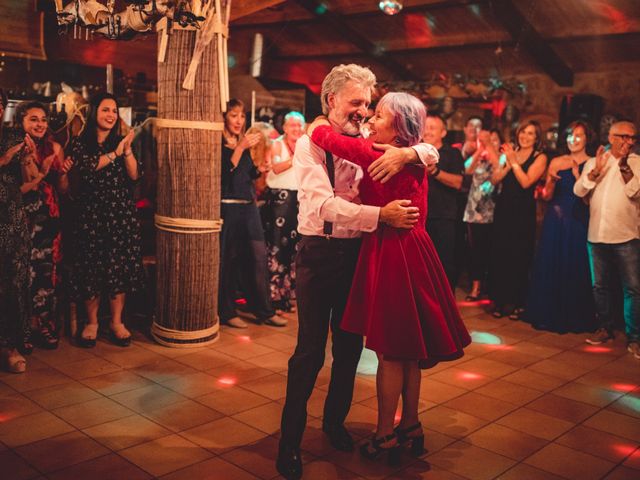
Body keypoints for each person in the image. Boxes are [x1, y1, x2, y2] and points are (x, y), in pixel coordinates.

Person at [276, 64, 442, 480]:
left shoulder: (368, 138)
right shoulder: (312, 144)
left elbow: (428, 150)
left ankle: (334, 425)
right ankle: (289, 444)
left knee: (350, 350)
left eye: (368, 105)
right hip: (319, 253)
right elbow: (323, 206)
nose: (364, 113)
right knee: (309, 354)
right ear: (331, 100)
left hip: (359, 254)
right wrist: (380, 215)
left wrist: (411, 152)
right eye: (356, 103)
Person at [310, 92, 470, 465]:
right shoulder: (405, 153)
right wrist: (415, 151)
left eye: (379, 115)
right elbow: (426, 150)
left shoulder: (383, 154)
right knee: (408, 353)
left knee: (390, 353)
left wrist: (318, 123)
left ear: (399, 127)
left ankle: (384, 434)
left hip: (393, 252)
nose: (371, 118)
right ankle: (410, 424)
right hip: (413, 250)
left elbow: (326, 139)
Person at [69, 93, 144, 348]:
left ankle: (116, 322)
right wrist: (115, 153)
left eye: (114, 110)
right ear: (94, 113)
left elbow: (134, 175)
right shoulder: (81, 143)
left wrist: (127, 150)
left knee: (117, 267)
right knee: (91, 266)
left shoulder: (121, 142)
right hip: (90, 213)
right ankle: (91, 322)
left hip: (119, 214)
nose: (111, 115)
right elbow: (89, 167)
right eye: (105, 110)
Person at [218, 99, 287, 329]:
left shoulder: (242, 143)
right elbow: (224, 176)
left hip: (248, 206)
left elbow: (245, 174)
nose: (239, 121)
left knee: (258, 257)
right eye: (234, 115)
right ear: (224, 117)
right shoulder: (217, 144)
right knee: (228, 261)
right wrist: (240, 148)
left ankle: (264, 311)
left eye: (242, 116)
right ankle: (227, 311)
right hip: (228, 207)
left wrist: (260, 170)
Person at [574, 121, 640, 359]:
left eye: (633, 138)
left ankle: (634, 338)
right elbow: (579, 191)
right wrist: (594, 173)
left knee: (632, 289)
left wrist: (623, 167)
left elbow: (637, 192)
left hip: (627, 236)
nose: (629, 141)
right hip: (597, 234)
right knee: (599, 285)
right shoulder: (595, 161)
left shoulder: (637, 163)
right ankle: (605, 327)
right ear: (611, 137)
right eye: (623, 136)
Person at [525, 121, 596, 333]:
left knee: (574, 262)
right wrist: (552, 182)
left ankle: (574, 315)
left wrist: (577, 177)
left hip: (578, 217)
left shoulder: (592, 163)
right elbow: (546, 196)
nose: (573, 140)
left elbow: (590, 198)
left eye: (578, 136)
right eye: (570, 136)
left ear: (586, 138)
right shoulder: (557, 160)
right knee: (551, 262)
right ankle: (548, 313)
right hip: (556, 218)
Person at [17, 102, 73, 352]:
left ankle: (44, 325)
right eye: (33, 119)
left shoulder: (56, 147)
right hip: (20, 218)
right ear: (21, 122)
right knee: (22, 274)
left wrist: (62, 173)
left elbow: (63, 190)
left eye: (43, 119)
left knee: (46, 273)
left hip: (48, 219)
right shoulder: (13, 146)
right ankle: (22, 328)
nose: (39, 124)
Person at [489, 120, 547, 318]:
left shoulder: (540, 157)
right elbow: (495, 179)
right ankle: (499, 300)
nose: (525, 136)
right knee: (500, 253)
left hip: (522, 212)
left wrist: (513, 161)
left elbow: (526, 182)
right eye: (523, 132)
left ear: (537, 138)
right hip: (504, 209)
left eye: (531, 133)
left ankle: (516, 302)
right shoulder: (511, 152)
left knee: (519, 255)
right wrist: (507, 162)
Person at [0, 94, 31, 372]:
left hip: (10, 219)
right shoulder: (7, 147)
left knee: (11, 281)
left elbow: (28, 178)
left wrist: (26, 158)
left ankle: (10, 347)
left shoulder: (11, 135)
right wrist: (5, 158)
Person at [263, 111, 305, 314]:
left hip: (299, 200)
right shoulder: (277, 144)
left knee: (294, 250)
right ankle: (274, 296)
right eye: (292, 125)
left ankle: (288, 294)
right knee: (277, 246)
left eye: (300, 125)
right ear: (285, 127)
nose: (296, 129)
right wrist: (296, 158)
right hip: (280, 199)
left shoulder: (304, 146)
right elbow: (276, 168)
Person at [423, 114, 465, 289]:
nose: (428, 130)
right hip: (418, 216)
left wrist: (435, 172)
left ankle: (445, 304)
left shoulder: (452, 153)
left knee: (443, 263)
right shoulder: (413, 151)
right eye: (425, 126)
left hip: (443, 216)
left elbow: (458, 182)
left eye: (433, 127)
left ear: (443, 132)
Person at [463, 129, 502, 301]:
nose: (488, 143)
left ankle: (489, 286)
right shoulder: (478, 157)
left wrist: (490, 148)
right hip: (473, 211)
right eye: (485, 140)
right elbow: (467, 171)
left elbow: (498, 170)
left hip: (492, 210)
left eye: (494, 140)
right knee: (474, 251)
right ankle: (475, 287)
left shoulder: (502, 158)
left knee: (490, 250)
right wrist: (480, 149)